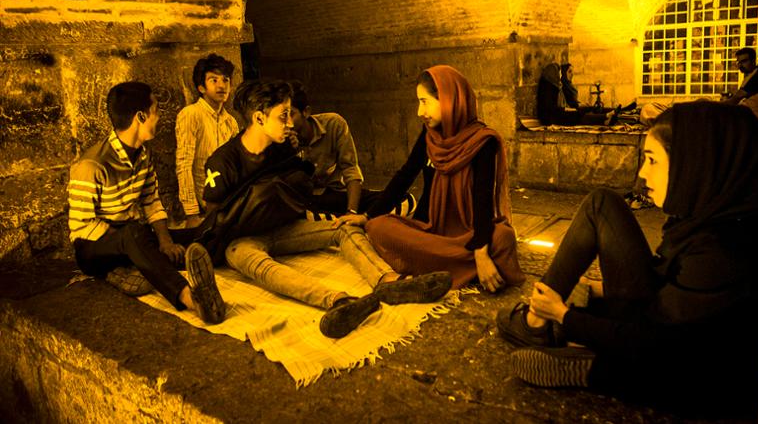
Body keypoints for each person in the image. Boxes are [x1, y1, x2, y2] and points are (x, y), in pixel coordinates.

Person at [496, 101, 758, 418]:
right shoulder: (711, 217)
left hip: (690, 370)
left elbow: (659, 344)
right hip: (671, 328)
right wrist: (600, 290)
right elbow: (674, 286)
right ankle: (554, 328)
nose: (642, 173)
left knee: (634, 354)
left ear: (695, 163)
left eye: (652, 160)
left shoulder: (723, 252)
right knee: (602, 204)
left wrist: (564, 316)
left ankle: (590, 361)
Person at [204, 79, 451, 339]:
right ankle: (338, 301)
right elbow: (213, 217)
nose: (290, 123)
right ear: (259, 118)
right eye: (283, 115)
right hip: (242, 239)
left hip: (284, 227)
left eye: (290, 114)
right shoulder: (223, 162)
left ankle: (387, 281)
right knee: (257, 263)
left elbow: (301, 189)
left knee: (343, 228)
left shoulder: (285, 149)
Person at [337, 65, 526, 292]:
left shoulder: (481, 141)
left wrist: (481, 251)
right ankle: (463, 268)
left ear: (449, 100)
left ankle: (445, 265)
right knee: (378, 227)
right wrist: (367, 215)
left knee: (504, 237)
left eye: (424, 101)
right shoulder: (429, 136)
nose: (420, 111)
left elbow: (482, 198)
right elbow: (405, 175)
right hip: (429, 230)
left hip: (469, 234)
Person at [68, 82, 226, 324]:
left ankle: (146, 268)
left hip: (132, 238)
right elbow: (81, 225)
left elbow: (151, 199)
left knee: (194, 234)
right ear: (141, 116)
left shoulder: (143, 154)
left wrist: (164, 241)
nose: (159, 117)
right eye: (156, 111)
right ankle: (191, 298)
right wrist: (136, 245)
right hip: (93, 249)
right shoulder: (92, 165)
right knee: (135, 235)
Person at [286, 80, 382, 215]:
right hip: (305, 202)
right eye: (282, 116)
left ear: (306, 112)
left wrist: (352, 212)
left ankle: (338, 218)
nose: (286, 122)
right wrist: (287, 150)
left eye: (290, 114)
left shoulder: (333, 124)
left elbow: (350, 169)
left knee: (398, 199)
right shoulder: (279, 137)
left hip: (335, 195)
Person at [175, 54, 239, 228]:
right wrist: (191, 213)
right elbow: (184, 165)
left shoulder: (230, 122)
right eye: (214, 80)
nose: (221, 85)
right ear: (201, 87)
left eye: (225, 80)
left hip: (227, 204)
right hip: (203, 206)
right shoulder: (191, 114)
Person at [537, 63, 617, 126]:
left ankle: (606, 117)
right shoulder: (548, 88)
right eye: (559, 73)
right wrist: (566, 109)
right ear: (553, 74)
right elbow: (550, 108)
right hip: (550, 118)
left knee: (581, 112)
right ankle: (605, 117)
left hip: (557, 114)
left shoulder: (555, 86)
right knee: (577, 114)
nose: (560, 76)